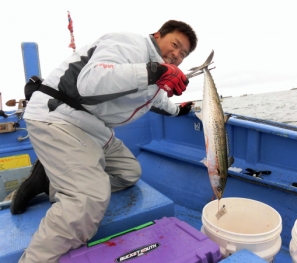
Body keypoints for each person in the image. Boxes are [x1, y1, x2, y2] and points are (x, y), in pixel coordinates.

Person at [12, 20, 197, 263]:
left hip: (93, 127)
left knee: (129, 173)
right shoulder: (130, 44)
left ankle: (49, 180)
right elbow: (91, 81)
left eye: (183, 54)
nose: (176, 54)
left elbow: (157, 101)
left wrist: (178, 111)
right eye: (175, 45)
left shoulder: (156, 73)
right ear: (158, 34)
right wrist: (154, 72)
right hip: (59, 116)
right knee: (88, 200)